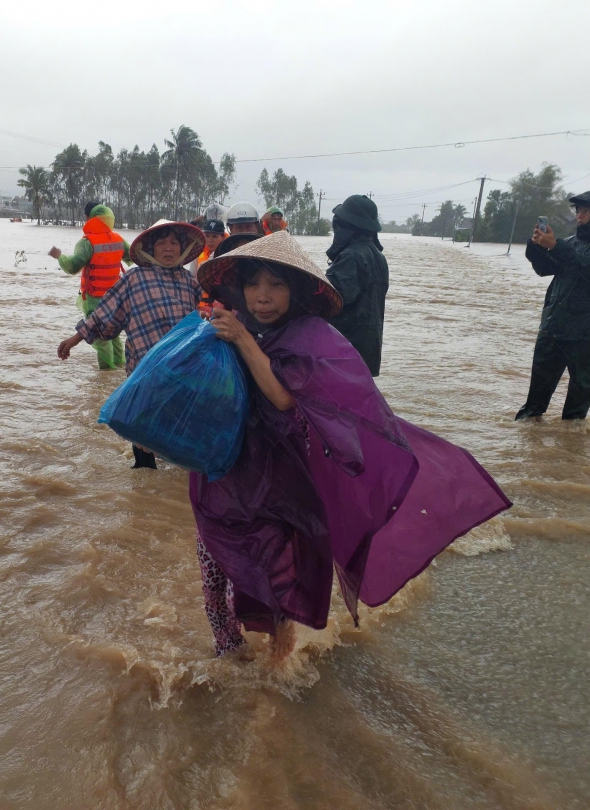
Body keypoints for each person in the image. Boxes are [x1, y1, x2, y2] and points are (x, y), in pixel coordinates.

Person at [192, 231, 511, 658]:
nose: (262, 296)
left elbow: (284, 398)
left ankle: (277, 666)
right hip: (230, 468)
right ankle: (227, 653)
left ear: (297, 290)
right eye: (253, 285)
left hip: (282, 480)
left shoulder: (311, 336)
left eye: (276, 285)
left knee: (274, 574)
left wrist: (244, 342)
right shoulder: (235, 325)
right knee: (215, 562)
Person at [57, 220, 205, 468]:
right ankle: (144, 478)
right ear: (151, 249)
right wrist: (74, 339)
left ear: (182, 249)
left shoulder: (190, 284)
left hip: (181, 370)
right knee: (143, 425)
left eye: (173, 243)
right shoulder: (135, 279)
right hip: (144, 367)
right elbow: (103, 315)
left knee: (180, 425)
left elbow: (200, 325)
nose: (168, 249)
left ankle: (179, 472)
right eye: (161, 244)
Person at [516, 191, 590, 422]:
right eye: (578, 210)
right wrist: (536, 248)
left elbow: (586, 266)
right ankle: (525, 445)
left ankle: (572, 449)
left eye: (586, 211)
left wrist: (555, 246)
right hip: (553, 327)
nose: (580, 215)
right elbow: (544, 269)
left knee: (576, 409)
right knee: (533, 404)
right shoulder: (570, 243)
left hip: (585, 333)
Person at [49, 203, 131, 370]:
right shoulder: (119, 240)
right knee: (114, 335)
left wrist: (59, 257)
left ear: (88, 218)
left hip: (95, 299)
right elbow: (134, 256)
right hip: (116, 298)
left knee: (100, 339)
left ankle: (105, 373)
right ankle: (120, 369)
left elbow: (72, 266)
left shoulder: (86, 243)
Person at [324, 194, 389, 377]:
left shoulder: (351, 257)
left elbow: (329, 301)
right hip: (368, 351)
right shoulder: (379, 257)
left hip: (346, 352)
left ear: (349, 227)